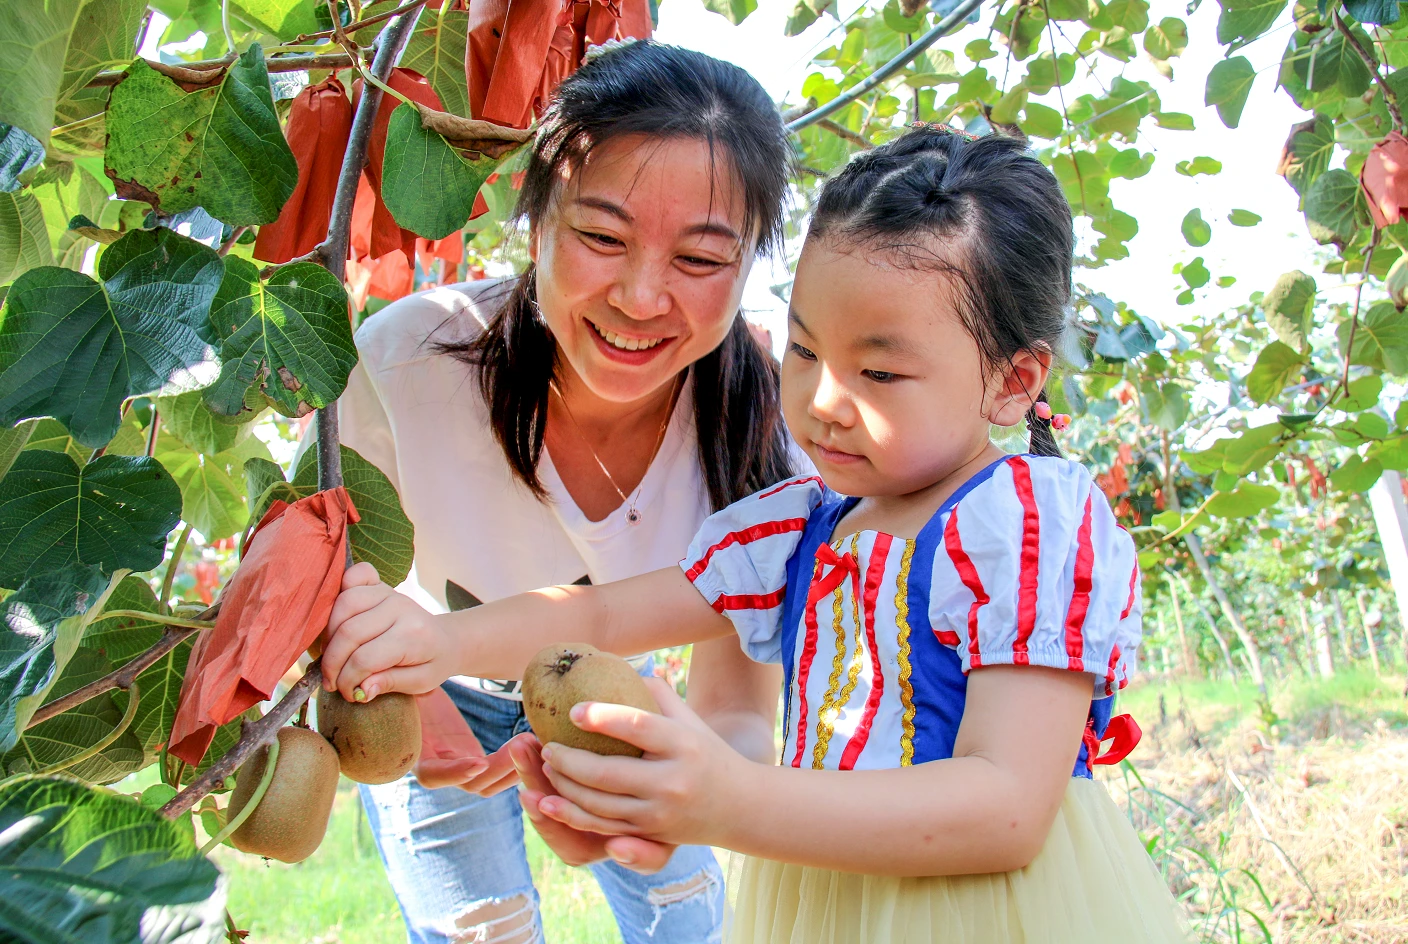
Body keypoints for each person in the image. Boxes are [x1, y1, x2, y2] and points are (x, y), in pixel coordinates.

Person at [323, 127, 1190, 942]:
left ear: (1013, 382)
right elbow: (604, 620)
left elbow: (1006, 807)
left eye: (879, 371)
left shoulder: (1024, 526)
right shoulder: (799, 529)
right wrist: (437, 642)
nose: (820, 401)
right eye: (807, 352)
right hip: (833, 898)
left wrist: (728, 801)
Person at [336, 40, 797, 944]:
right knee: (480, 929)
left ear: (749, 268)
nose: (639, 296)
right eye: (600, 236)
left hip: (615, 694)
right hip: (437, 678)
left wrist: (688, 793)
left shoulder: (766, 424)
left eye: (701, 259)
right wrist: (407, 692)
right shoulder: (402, 363)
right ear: (535, 223)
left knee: (690, 920)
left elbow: (739, 705)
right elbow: (344, 566)